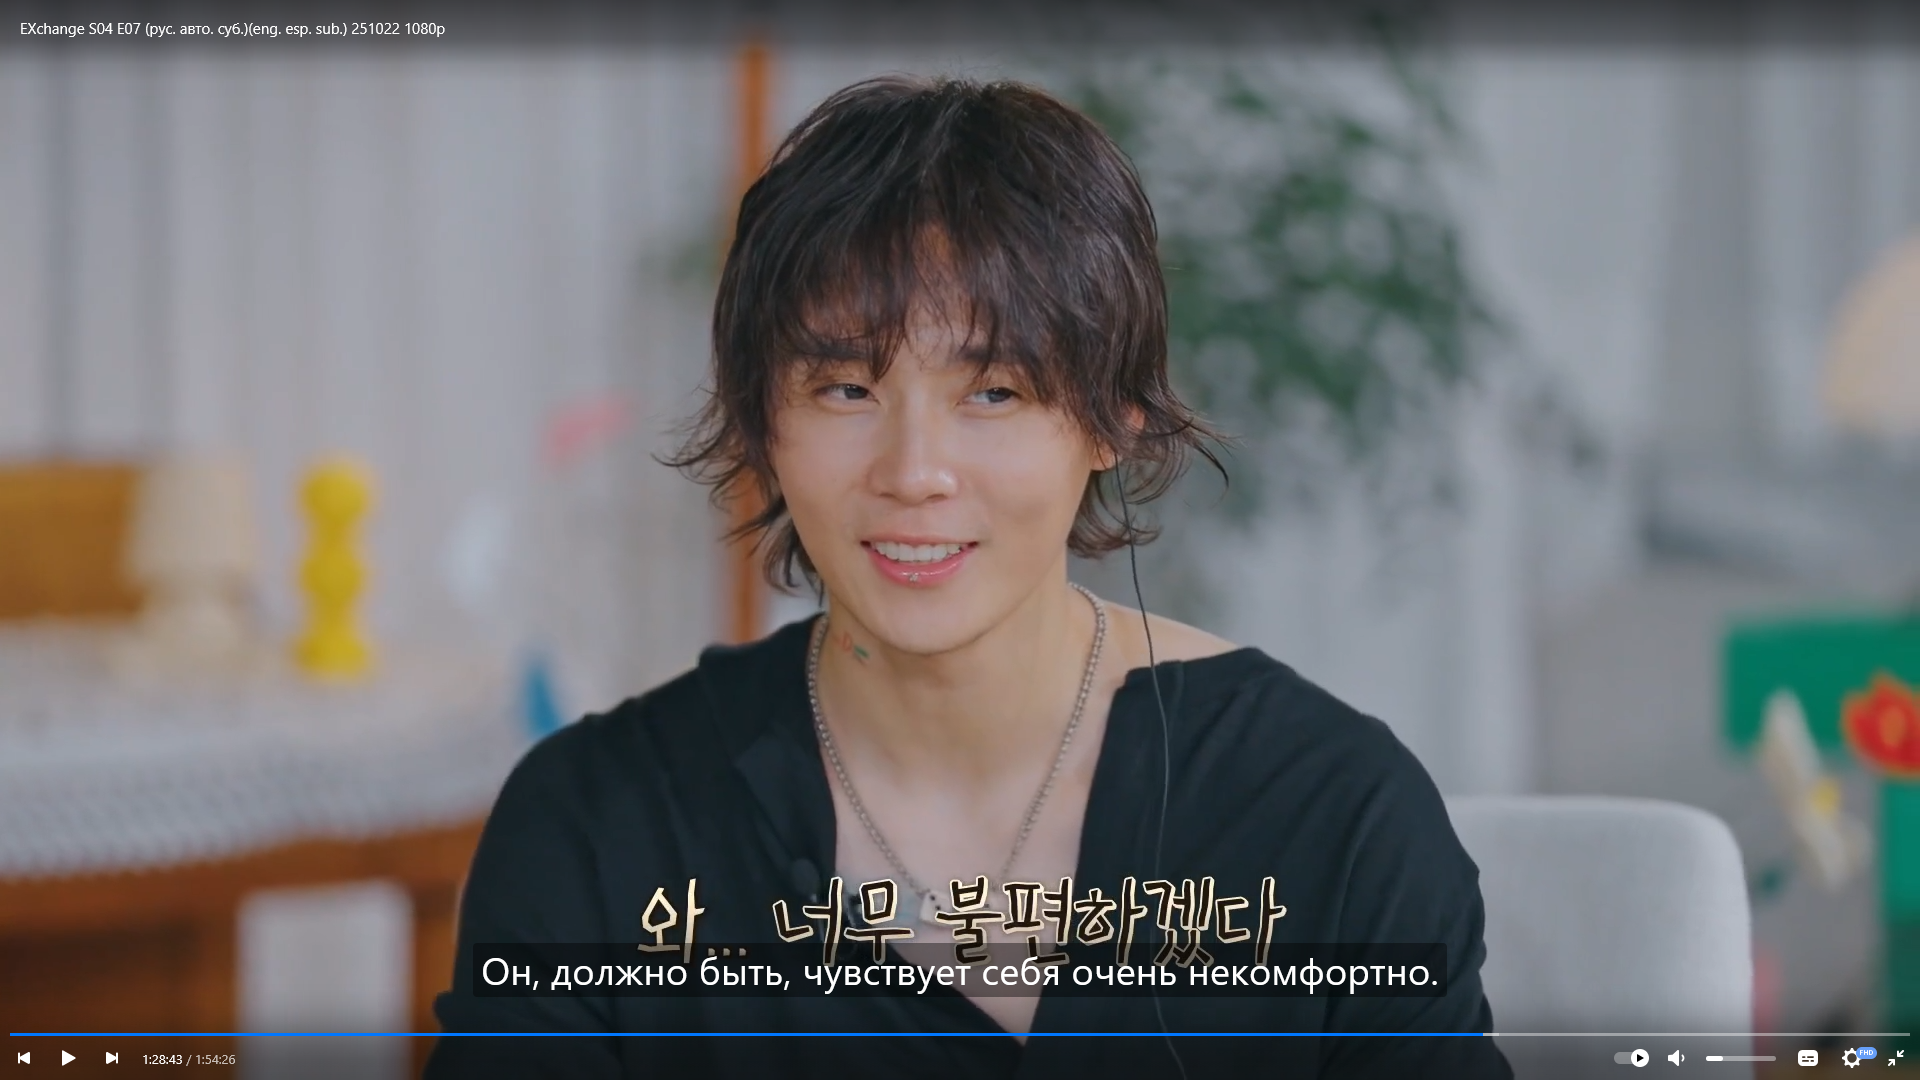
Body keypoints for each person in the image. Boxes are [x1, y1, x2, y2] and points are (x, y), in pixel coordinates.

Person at [426, 74, 1511, 1080]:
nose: (914, 473)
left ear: (1114, 416)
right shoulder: (597, 831)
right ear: (762, 420)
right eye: (847, 389)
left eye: (993, 392)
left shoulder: (1329, 813)